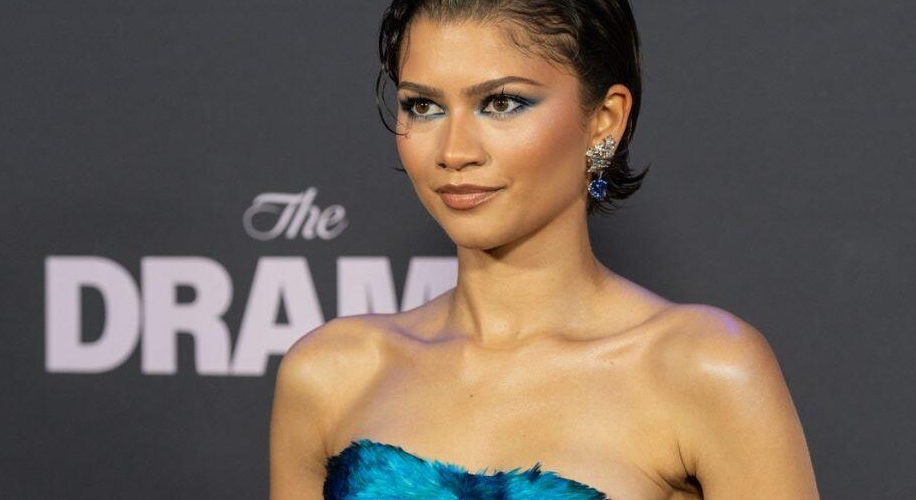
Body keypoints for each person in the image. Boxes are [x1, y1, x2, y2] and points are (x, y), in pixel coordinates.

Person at [270, 1, 820, 498]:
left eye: (501, 102)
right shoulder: (332, 374)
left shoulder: (703, 370)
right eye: (424, 106)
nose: (454, 151)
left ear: (604, 122)